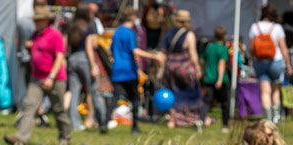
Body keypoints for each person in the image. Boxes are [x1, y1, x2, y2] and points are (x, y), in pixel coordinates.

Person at [5, 6, 71, 145]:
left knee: (59, 110)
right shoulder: (36, 35)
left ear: (47, 21)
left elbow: (60, 57)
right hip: (37, 78)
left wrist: (51, 77)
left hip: (55, 79)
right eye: (36, 21)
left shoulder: (54, 35)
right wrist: (30, 47)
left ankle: (65, 137)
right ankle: (21, 138)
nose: (37, 23)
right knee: (29, 106)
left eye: (40, 20)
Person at [105, 7, 165, 135]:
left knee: (115, 97)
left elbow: (109, 51)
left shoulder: (117, 32)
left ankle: (104, 124)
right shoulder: (129, 32)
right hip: (128, 70)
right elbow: (135, 51)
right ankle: (135, 127)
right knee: (135, 99)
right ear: (133, 18)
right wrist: (154, 56)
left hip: (117, 69)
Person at [248, 4, 293, 124]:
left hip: (260, 62)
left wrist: (252, 60)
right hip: (275, 61)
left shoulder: (254, 27)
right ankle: (276, 118)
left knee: (265, 91)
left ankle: (267, 118)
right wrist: (288, 64)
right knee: (275, 90)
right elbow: (283, 48)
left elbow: (251, 48)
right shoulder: (277, 27)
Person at [65, 7, 105, 133]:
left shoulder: (71, 26)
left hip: (72, 59)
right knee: (94, 91)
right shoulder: (89, 27)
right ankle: (102, 121)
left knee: (74, 92)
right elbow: (90, 47)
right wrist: (94, 65)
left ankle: (75, 124)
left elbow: (66, 45)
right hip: (85, 59)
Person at [162, 10, 203, 129]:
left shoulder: (169, 33)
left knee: (173, 92)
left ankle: (172, 119)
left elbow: (164, 50)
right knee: (189, 92)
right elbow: (193, 53)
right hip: (184, 68)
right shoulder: (189, 34)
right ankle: (188, 118)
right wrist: (198, 67)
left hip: (171, 66)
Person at [202, 26, 231, 132]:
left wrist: (205, 74)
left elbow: (203, 62)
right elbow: (221, 64)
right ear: (224, 36)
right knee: (225, 103)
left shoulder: (209, 47)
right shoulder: (223, 49)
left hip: (209, 78)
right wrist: (219, 79)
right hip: (221, 80)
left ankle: (202, 120)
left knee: (207, 101)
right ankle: (225, 125)